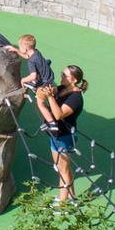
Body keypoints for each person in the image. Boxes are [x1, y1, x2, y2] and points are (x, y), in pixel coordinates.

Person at [35, 65, 88, 202]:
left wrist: (50, 97)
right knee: (65, 169)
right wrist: (42, 90)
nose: (62, 77)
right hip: (57, 135)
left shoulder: (75, 98)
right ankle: (72, 196)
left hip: (64, 137)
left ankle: (63, 203)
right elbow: (49, 90)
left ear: (74, 80)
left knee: (62, 170)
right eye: (62, 74)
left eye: (65, 75)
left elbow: (58, 115)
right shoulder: (62, 88)